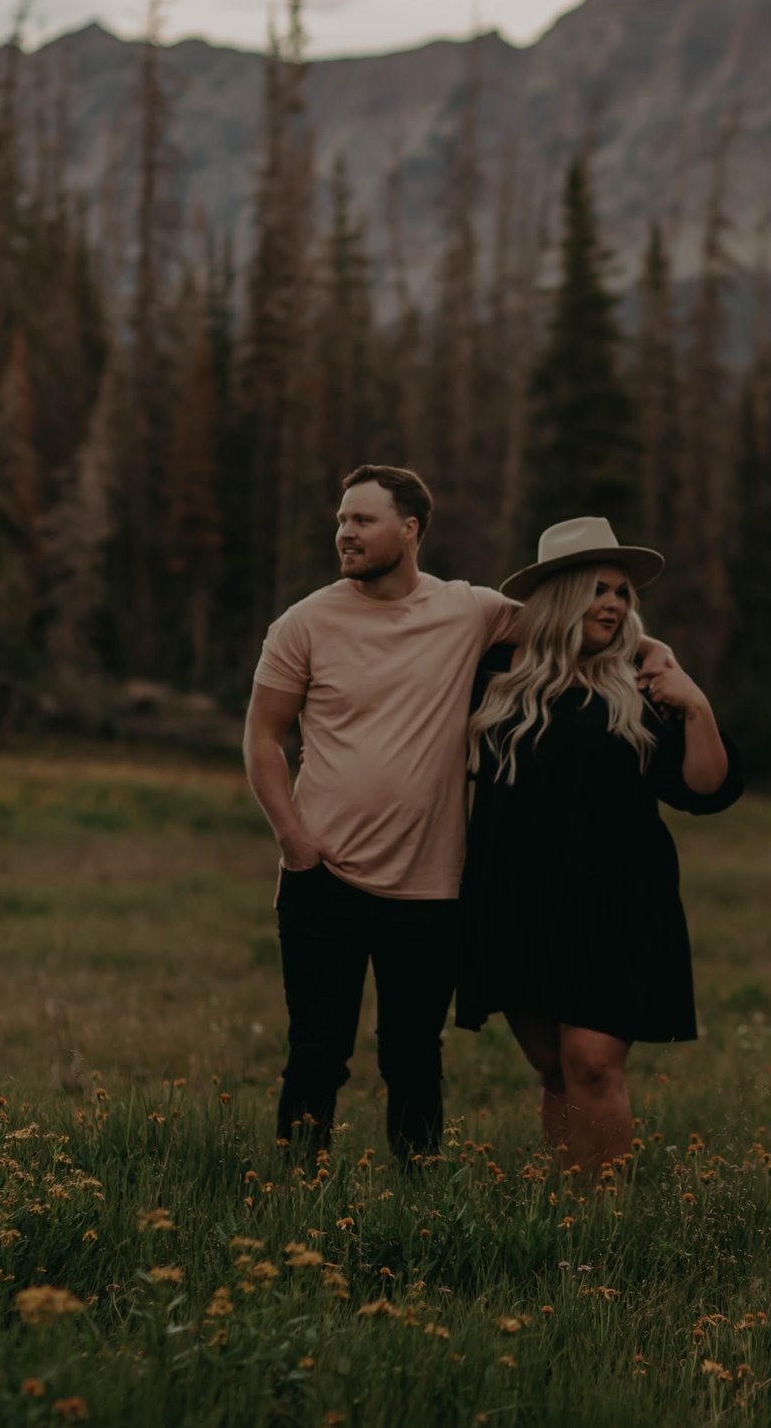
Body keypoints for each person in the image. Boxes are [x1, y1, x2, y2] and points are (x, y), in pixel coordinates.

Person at [243, 469, 677, 1165]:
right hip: (321, 874)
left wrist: (656, 652)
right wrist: (293, 840)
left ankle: (417, 1189)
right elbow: (263, 737)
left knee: (414, 1056)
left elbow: (573, 624)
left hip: (432, 886)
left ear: (410, 530)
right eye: (341, 519)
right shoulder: (303, 622)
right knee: (317, 1051)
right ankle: (292, 1189)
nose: (345, 532)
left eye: (363, 519)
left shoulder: (470, 611)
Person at [456, 517, 742, 1186]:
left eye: (621, 592)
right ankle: (567, 1205)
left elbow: (707, 789)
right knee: (553, 1064)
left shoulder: (642, 686)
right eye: (597, 589)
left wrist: (695, 706)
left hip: (619, 902)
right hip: (518, 898)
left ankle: (604, 1221)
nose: (614, 603)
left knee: (592, 1062)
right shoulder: (494, 678)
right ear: (558, 597)